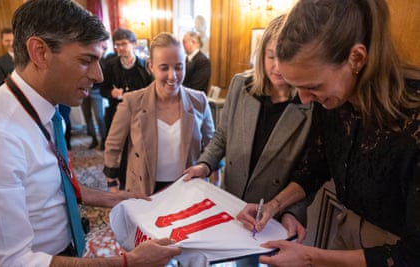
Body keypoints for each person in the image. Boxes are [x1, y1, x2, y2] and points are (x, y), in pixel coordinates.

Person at [0, 0, 181, 266]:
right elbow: (9, 262)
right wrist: (129, 262)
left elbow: (48, 186)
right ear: (40, 53)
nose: (98, 76)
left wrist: (114, 197)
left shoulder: (45, 110)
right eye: (86, 60)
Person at [237, 0, 420, 266]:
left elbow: (415, 253)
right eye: (296, 87)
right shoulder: (333, 102)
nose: (304, 99)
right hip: (344, 235)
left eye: (312, 86)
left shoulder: (413, 120)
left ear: (356, 58)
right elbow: (315, 167)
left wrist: (310, 256)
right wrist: (274, 206)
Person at [183, 15, 313, 266]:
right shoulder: (241, 85)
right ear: (262, 54)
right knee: (244, 263)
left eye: (286, 57)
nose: (277, 66)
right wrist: (205, 164)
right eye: (271, 55)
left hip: (276, 213)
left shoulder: (310, 103)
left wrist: (290, 211)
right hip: (235, 201)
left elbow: (310, 171)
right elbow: (223, 135)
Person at [103, 32, 215, 195]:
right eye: (164, 67)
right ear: (151, 66)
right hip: (144, 189)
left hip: (188, 188)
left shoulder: (199, 101)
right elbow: (113, 145)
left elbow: (211, 144)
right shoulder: (132, 102)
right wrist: (112, 182)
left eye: (178, 67)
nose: (172, 76)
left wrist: (214, 173)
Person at [101, 28, 152, 190]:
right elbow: (102, 88)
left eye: (123, 44)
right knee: (119, 148)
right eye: (117, 45)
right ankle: (123, 182)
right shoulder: (110, 66)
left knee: (138, 147)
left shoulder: (144, 67)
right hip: (117, 114)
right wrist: (111, 92)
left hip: (140, 116)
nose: (120, 48)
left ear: (133, 44)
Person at [81, 41, 107, 150]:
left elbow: (103, 78)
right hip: (84, 89)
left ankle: (104, 139)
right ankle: (93, 139)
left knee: (99, 117)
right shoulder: (85, 57)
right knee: (87, 115)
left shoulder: (105, 60)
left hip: (96, 91)